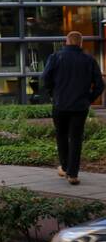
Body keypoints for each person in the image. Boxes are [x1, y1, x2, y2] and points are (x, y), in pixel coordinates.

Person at [41, 31, 105, 185]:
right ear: (80, 43)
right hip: (80, 106)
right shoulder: (89, 60)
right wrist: (88, 99)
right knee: (76, 138)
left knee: (61, 135)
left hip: (60, 104)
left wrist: (53, 94)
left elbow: (45, 78)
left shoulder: (55, 57)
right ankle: (73, 174)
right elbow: (100, 84)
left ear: (66, 41)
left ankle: (64, 166)